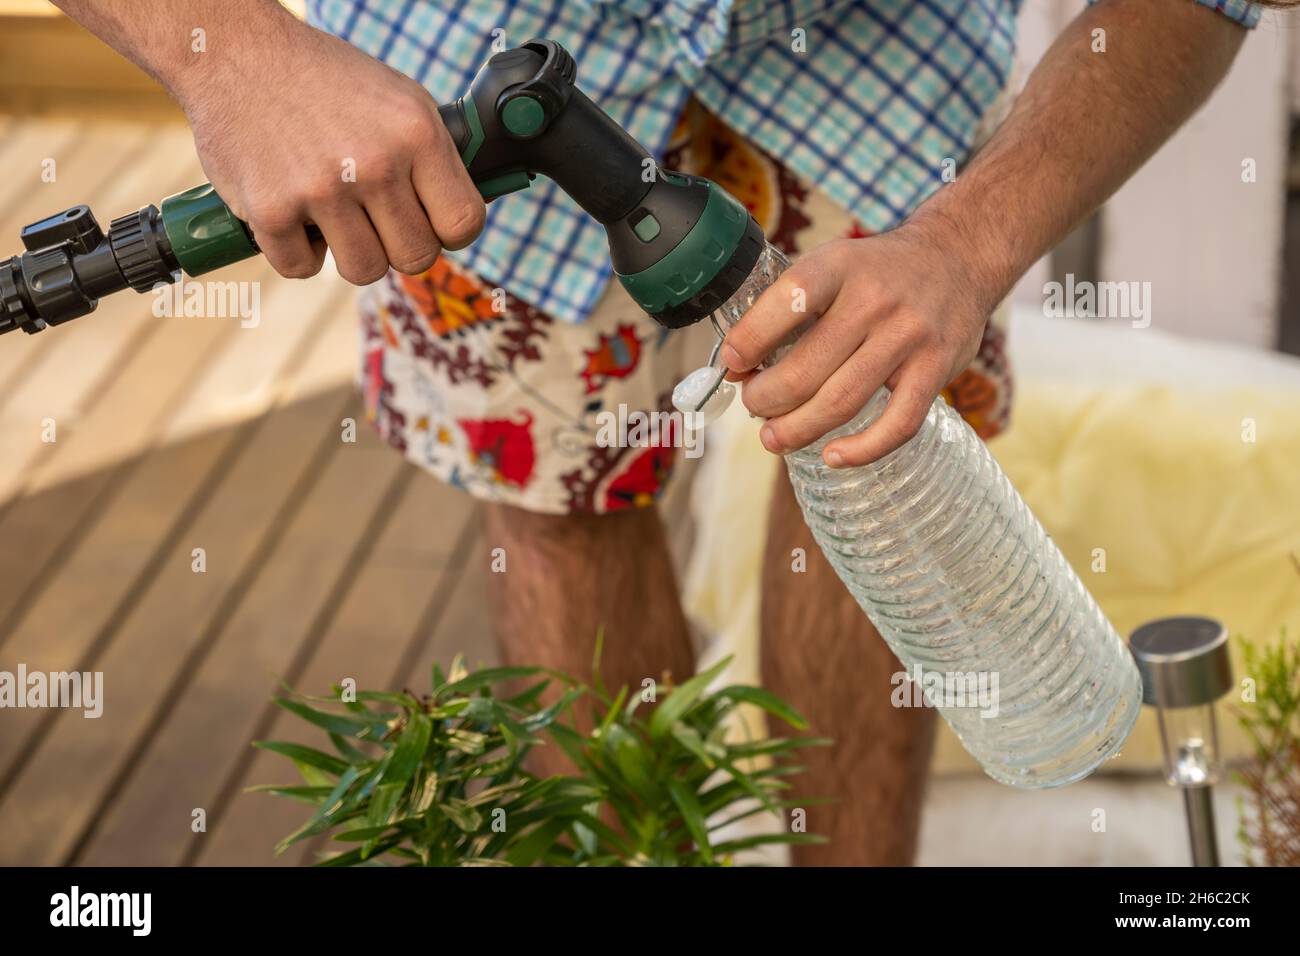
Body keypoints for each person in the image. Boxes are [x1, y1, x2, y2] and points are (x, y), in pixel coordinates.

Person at [55, 0, 1272, 865]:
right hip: (444, 72)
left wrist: (967, 243)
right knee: (557, 507)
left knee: (876, 450)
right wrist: (236, 48)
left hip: (866, 43)